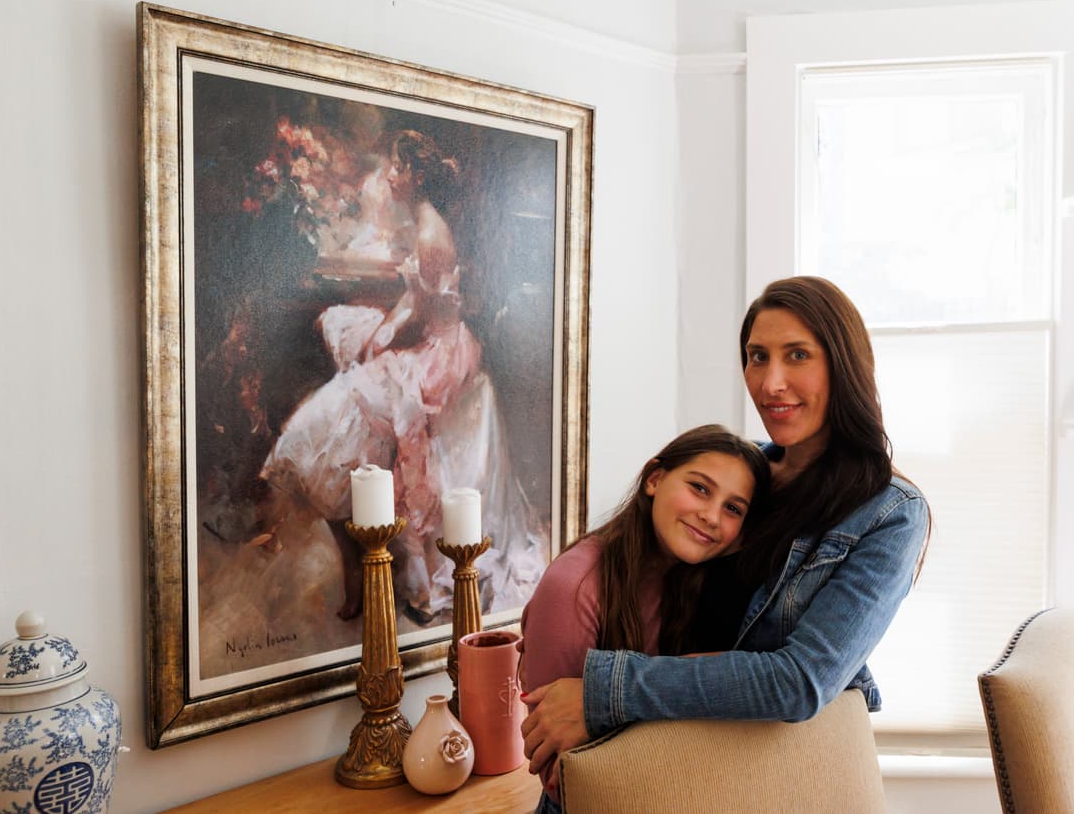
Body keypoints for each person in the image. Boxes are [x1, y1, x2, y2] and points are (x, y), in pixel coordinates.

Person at [519, 275, 931, 776]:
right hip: (659, 767)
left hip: (772, 779)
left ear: (842, 366)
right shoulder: (740, 474)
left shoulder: (890, 513)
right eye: (758, 356)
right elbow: (637, 571)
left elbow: (799, 682)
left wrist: (607, 693)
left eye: (797, 355)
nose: (770, 382)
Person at [261, 129, 546, 624]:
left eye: (398, 167)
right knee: (345, 337)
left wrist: (386, 336)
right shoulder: (421, 224)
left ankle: (372, 553)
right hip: (428, 334)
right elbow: (412, 302)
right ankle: (359, 550)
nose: (390, 175)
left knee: (351, 396)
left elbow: (423, 314)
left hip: (441, 351)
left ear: (416, 174)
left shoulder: (430, 231)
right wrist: (384, 329)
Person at [519, 424, 771, 812]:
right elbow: (561, 775)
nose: (711, 516)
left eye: (733, 508)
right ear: (654, 479)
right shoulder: (573, 586)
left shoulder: (705, 582)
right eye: (700, 488)